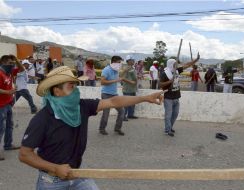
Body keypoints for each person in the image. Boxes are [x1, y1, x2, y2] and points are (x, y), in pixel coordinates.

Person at [18, 66, 164, 189]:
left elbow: (113, 101)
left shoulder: (81, 106)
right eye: (71, 86)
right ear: (57, 91)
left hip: (78, 173)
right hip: (51, 181)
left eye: (76, 86)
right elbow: (25, 154)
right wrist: (55, 168)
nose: (76, 90)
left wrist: (145, 98)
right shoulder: (43, 118)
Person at [160, 53, 200, 136]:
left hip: (176, 96)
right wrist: (170, 81)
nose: (176, 65)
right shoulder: (165, 73)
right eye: (174, 64)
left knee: (175, 114)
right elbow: (160, 85)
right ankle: (167, 130)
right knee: (168, 115)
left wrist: (195, 60)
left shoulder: (177, 70)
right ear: (171, 64)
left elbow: (187, 65)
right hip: (168, 97)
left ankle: (170, 127)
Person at [0, 55, 23, 160]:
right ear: (3, 63)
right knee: (1, 128)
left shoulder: (9, 72)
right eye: (10, 63)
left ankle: (8, 144)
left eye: (13, 63)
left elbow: (22, 69)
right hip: (1, 105)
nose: (12, 65)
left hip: (8, 103)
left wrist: (16, 59)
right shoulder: (0, 73)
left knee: (10, 125)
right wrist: (8, 92)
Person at [99, 56, 126, 135]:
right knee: (106, 113)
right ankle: (102, 129)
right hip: (106, 94)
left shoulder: (116, 70)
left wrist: (121, 81)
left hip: (114, 94)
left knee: (122, 111)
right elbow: (102, 82)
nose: (120, 64)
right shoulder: (106, 70)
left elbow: (116, 80)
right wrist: (116, 80)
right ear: (114, 62)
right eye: (119, 62)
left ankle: (117, 128)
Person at [122, 55, 138, 121]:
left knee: (132, 103)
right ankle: (123, 116)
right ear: (128, 61)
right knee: (126, 103)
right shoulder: (126, 68)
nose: (134, 61)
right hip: (127, 89)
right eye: (132, 60)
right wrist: (131, 82)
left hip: (132, 89)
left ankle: (130, 115)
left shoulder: (132, 68)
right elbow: (123, 78)